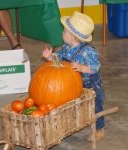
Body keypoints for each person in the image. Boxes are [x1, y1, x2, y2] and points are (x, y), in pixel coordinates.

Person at [42, 12, 105, 141]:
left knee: (95, 106)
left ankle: (99, 129)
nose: (62, 33)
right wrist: (50, 57)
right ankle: (72, 124)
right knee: (73, 105)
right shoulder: (65, 48)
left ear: (73, 37)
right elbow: (58, 61)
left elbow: (95, 67)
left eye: (64, 31)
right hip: (73, 83)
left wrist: (82, 68)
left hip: (91, 84)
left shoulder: (88, 51)